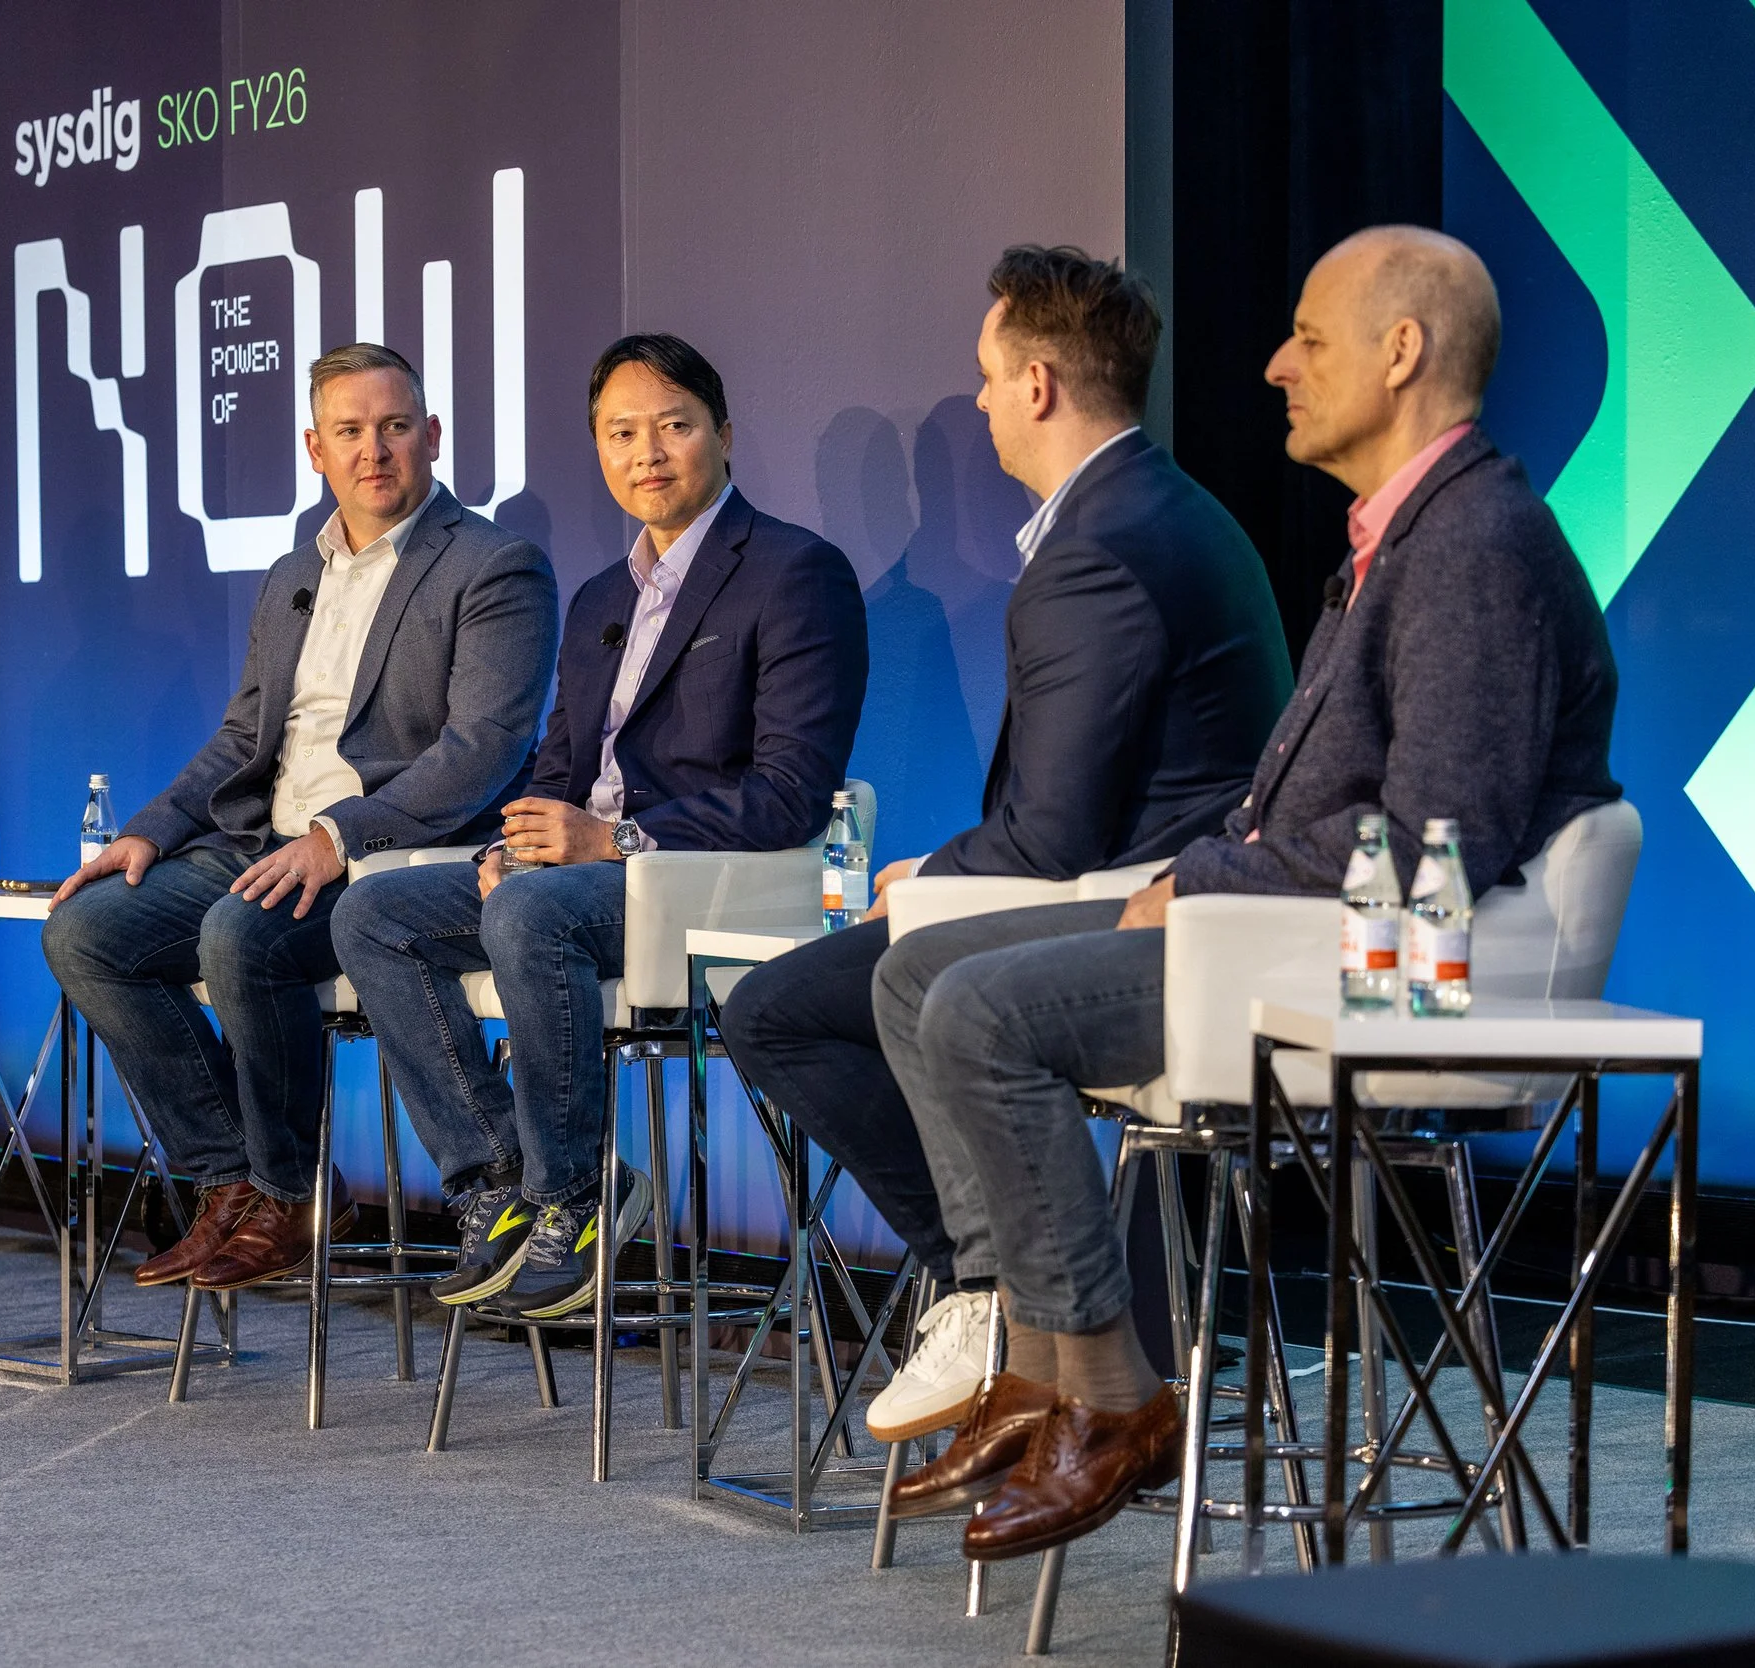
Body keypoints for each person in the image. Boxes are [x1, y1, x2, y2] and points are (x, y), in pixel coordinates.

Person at [871, 226, 1621, 1561]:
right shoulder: (1397, 537)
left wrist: (1211, 879)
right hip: (1268, 920)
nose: (1275, 365)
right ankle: (1043, 1369)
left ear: (1404, 354)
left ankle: (1111, 1397)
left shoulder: (1474, 547)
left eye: (1310, 340)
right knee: (925, 970)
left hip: (1362, 967)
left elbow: (1445, 828)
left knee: (986, 1015)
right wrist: (1195, 873)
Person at [717, 246, 1291, 1450]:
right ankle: (991, 1284)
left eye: (984, 379)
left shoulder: (1097, 547)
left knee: (793, 1004)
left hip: (1150, 911)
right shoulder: (1146, 509)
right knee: (821, 987)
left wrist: (928, 877)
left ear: (1036, 384)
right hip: (1131, 884)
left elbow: (1055, 834)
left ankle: (992, 1291)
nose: (975, 403)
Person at [334, 334, 870, 1322]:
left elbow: (791, 793)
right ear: (596, 449)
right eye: (622, 434)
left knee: (534, 919)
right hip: (571, 877)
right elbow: (555, 770)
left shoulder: (796, 572)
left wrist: (613, 843)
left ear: (723, 435)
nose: (648, 453)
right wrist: (511, 846)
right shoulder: (598, 600)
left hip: (705, 886)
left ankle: (573, 1199)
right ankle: (498, 1182)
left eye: (673, 426)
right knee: (375, 914)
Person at [42, 344, 558, 1293]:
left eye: (396, 427)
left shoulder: (494, 565)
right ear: (315, 448)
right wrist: (153, 828)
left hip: (392, 859)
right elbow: (246, 734)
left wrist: (337, 837)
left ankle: (293, 1192)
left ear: (433, 435)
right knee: (86, 931)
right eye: (352, 433)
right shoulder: (293, 572)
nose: (376, 451)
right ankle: (231, 1181)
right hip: (259, 841)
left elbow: (482, 750)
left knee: (243, 934)